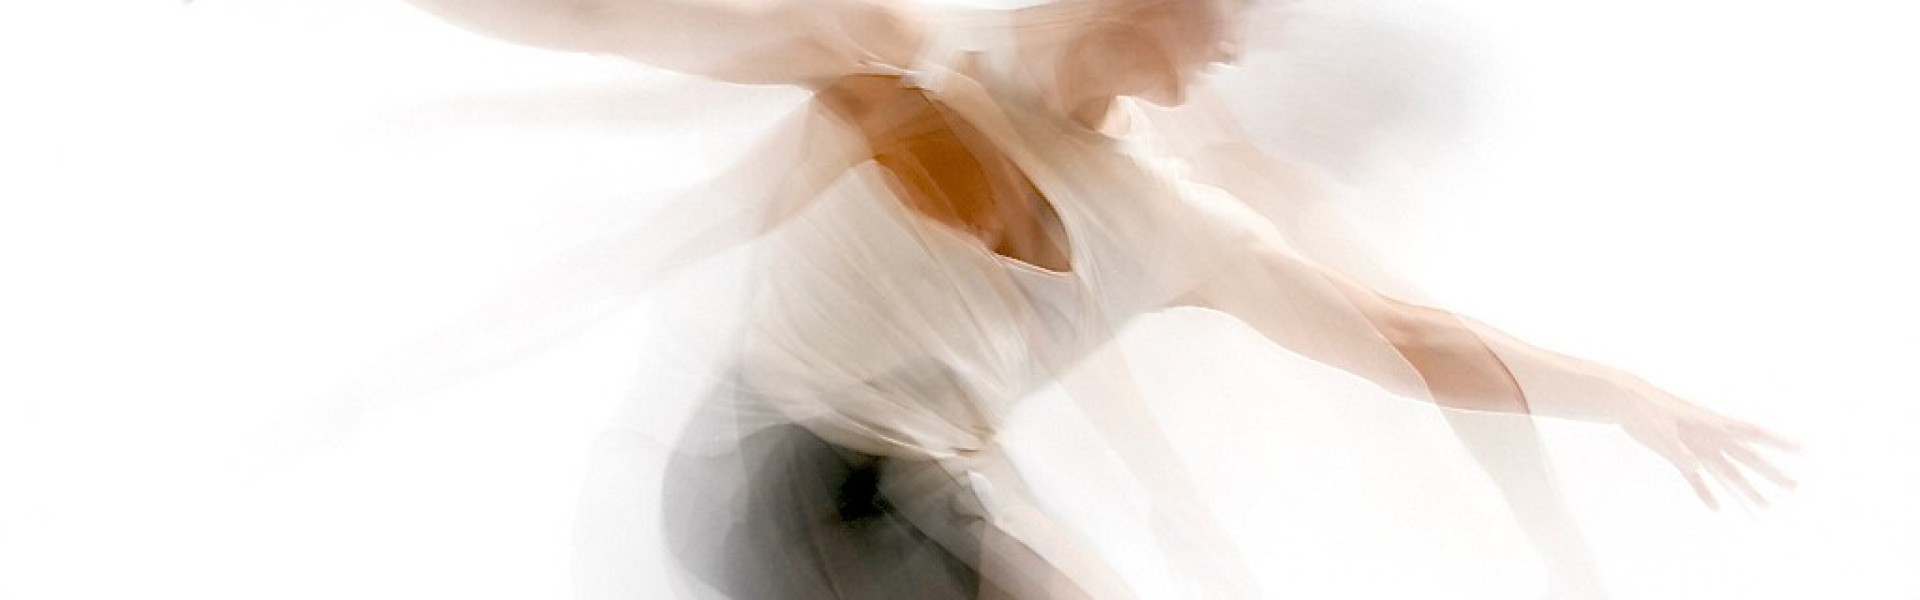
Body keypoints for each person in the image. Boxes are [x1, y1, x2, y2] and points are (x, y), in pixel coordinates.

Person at [348, 0, 1796, 597]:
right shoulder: (916, 65)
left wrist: (1620, 394)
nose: (1233, 50)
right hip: (784, 473)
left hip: (888, 497)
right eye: (1218, 15)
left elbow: (1402, 340)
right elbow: (651, 29)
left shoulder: (1168, 219)